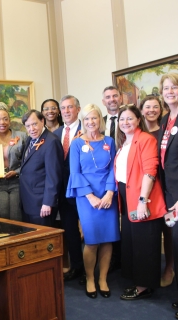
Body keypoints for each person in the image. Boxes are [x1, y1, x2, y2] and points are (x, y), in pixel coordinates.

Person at [66, 104, 119, 298]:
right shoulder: (77, 143)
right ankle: (90, 278)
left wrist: (109, 193)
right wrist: (90, 196)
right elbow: (75, 172)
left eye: (94, 118)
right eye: (86, 119)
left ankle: (103, 278)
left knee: (107, 239)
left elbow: (114, 168)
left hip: (107, 194)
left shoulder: (110, 141)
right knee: (91, 240)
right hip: (86, 196)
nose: (90, 122)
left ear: (100, 119)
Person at [114, 105, 166, 301]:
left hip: (142, 199)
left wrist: (143, 201)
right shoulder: (125, 143)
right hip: (127, 200)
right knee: (133, 243)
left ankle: (144, 286)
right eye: (122, 119)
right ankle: (139, 282)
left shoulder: (145, 139)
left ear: (138, 120)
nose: (125, 122)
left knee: (145, 244)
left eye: (129, 118)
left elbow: (149, 171)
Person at [157, 73, 178, 320]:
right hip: (172, 195)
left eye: (174, 87)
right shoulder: (166, 119)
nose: (169, 91)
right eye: (165, 88)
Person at [139, 96, 174, 287]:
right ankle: (149, 271)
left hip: (165, 184)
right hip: (145, 187)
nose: (151, 110)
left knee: (168, 228)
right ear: (141, 110)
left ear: (160, 110)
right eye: (147, 107)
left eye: (155, 107)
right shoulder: (138, 131)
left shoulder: (166, 129)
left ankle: (170, 266)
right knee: (150, 231)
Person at [55, 95, 84, 282]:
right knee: (70, 230)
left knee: (88, 230)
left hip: (83, 189)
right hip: (63, 190)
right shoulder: (56, 134)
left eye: (70, 107)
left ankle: (92, 269)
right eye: (63, 108)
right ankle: (77, 267)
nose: (66, 111)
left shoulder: (87, 129)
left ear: (78, 109)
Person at [0, 103, 27, 222]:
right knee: (1, 221)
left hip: (16, 182)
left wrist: (16, 172)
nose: (1, 122)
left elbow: (28, 161)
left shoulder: (22, 136)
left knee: (16, 219)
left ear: (9, 120)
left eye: (5, 119)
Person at [19, 109, 63, 226]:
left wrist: (48, 202)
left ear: (42, 121)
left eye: (34, 124)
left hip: (42, 204)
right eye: (28, 126)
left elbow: (53, 176)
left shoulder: (51, 141)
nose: (31, 129)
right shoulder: (30, 139)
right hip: (28, 202)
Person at [101, 85, 122, 272]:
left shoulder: (128, 119)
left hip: (124, 175)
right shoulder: (100, 122)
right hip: (105, 178)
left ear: (121, 98)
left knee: (124, 219)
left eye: (115, 96)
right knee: (110, 219)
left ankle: (125, 259)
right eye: (108, 97)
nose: (112, 99)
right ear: (103, 101)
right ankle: (112, 261)